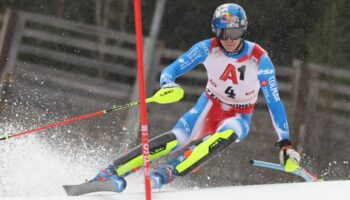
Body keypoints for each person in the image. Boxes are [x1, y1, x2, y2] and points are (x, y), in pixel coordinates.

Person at [90, 3, 301, 192]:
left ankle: (164, 175)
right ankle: (108, 174)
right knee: (177, 138)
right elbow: (171, 70)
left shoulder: (259, 59)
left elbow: (274, 102)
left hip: (239, 114)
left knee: (227, 134)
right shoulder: (206, 48)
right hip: (209, 106)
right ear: (215, 31)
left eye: (234, 32)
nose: (227, 40)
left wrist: (285, 143)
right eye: (222, 32)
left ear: (243, 30)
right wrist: (168, 84)